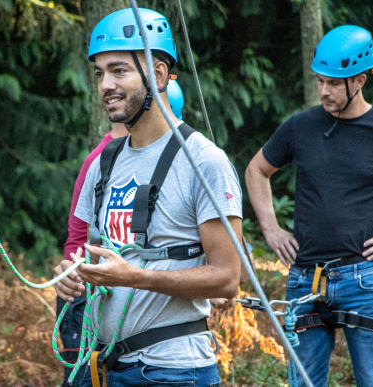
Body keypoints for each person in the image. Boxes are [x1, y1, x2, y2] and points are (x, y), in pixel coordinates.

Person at [54, 7, 242, 387]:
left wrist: (137, 277)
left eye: (119, 70)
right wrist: (73, 275)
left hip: (172, 371)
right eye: (100, 73)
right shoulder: (102, 163)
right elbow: (93, 252)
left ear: (157, 74)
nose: (105, 84)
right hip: (104, 365)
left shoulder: (204, 162)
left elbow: (227, 278)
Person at [245, 25, 373, 387]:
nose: (323, 91)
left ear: (360, 80)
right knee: (302, 383)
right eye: (320, 81)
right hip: (305, 278)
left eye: (333, 83)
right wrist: (270, 227)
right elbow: (256, 170)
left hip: (366, 278)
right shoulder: (302, 126)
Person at [56, 77, 187, 386]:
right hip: (88, 298)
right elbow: (78, 239)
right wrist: (75, 273)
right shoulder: (101, 161)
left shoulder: (179, 159)